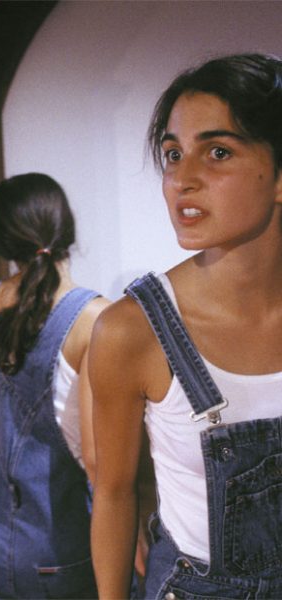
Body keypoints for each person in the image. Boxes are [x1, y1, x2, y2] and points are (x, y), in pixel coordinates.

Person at [90, 53, 282, 599]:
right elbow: (114, 494)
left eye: (217, 152)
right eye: (173, 154)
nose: (181, 179)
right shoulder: (132, 330)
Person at [0, 172, 109, 599]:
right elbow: (97, 459)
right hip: (58, 552)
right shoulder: (94, 317)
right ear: (67, 229)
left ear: (2, 242)